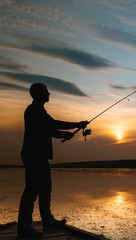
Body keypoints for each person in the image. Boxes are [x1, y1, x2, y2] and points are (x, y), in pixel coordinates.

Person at [17, 83, 88, 238]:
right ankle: (24, 227)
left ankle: (47, 220)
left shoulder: (39, 111)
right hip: (34, 155)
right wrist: (77, 124)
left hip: (40, 156)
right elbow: (53, 124)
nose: (49, 94)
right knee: (31, 191)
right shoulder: (34, 110)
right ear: (39, 94)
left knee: (45, 189)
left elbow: (50, 130)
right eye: (46, 91)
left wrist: (65, 135)